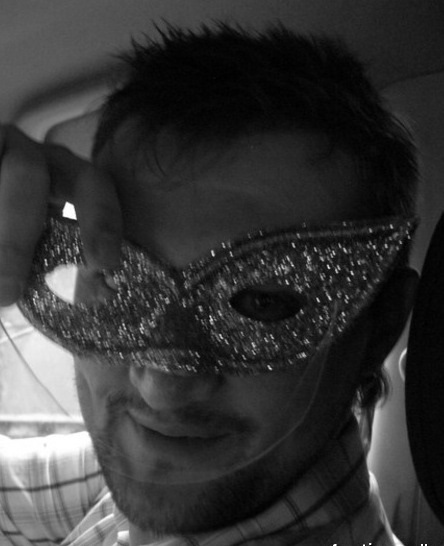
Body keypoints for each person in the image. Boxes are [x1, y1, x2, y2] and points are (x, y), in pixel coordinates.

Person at [0, 23, 419, 545]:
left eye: (261, 301)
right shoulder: (138, 464)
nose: (161, 385)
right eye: (118, 278)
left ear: (381, 326)